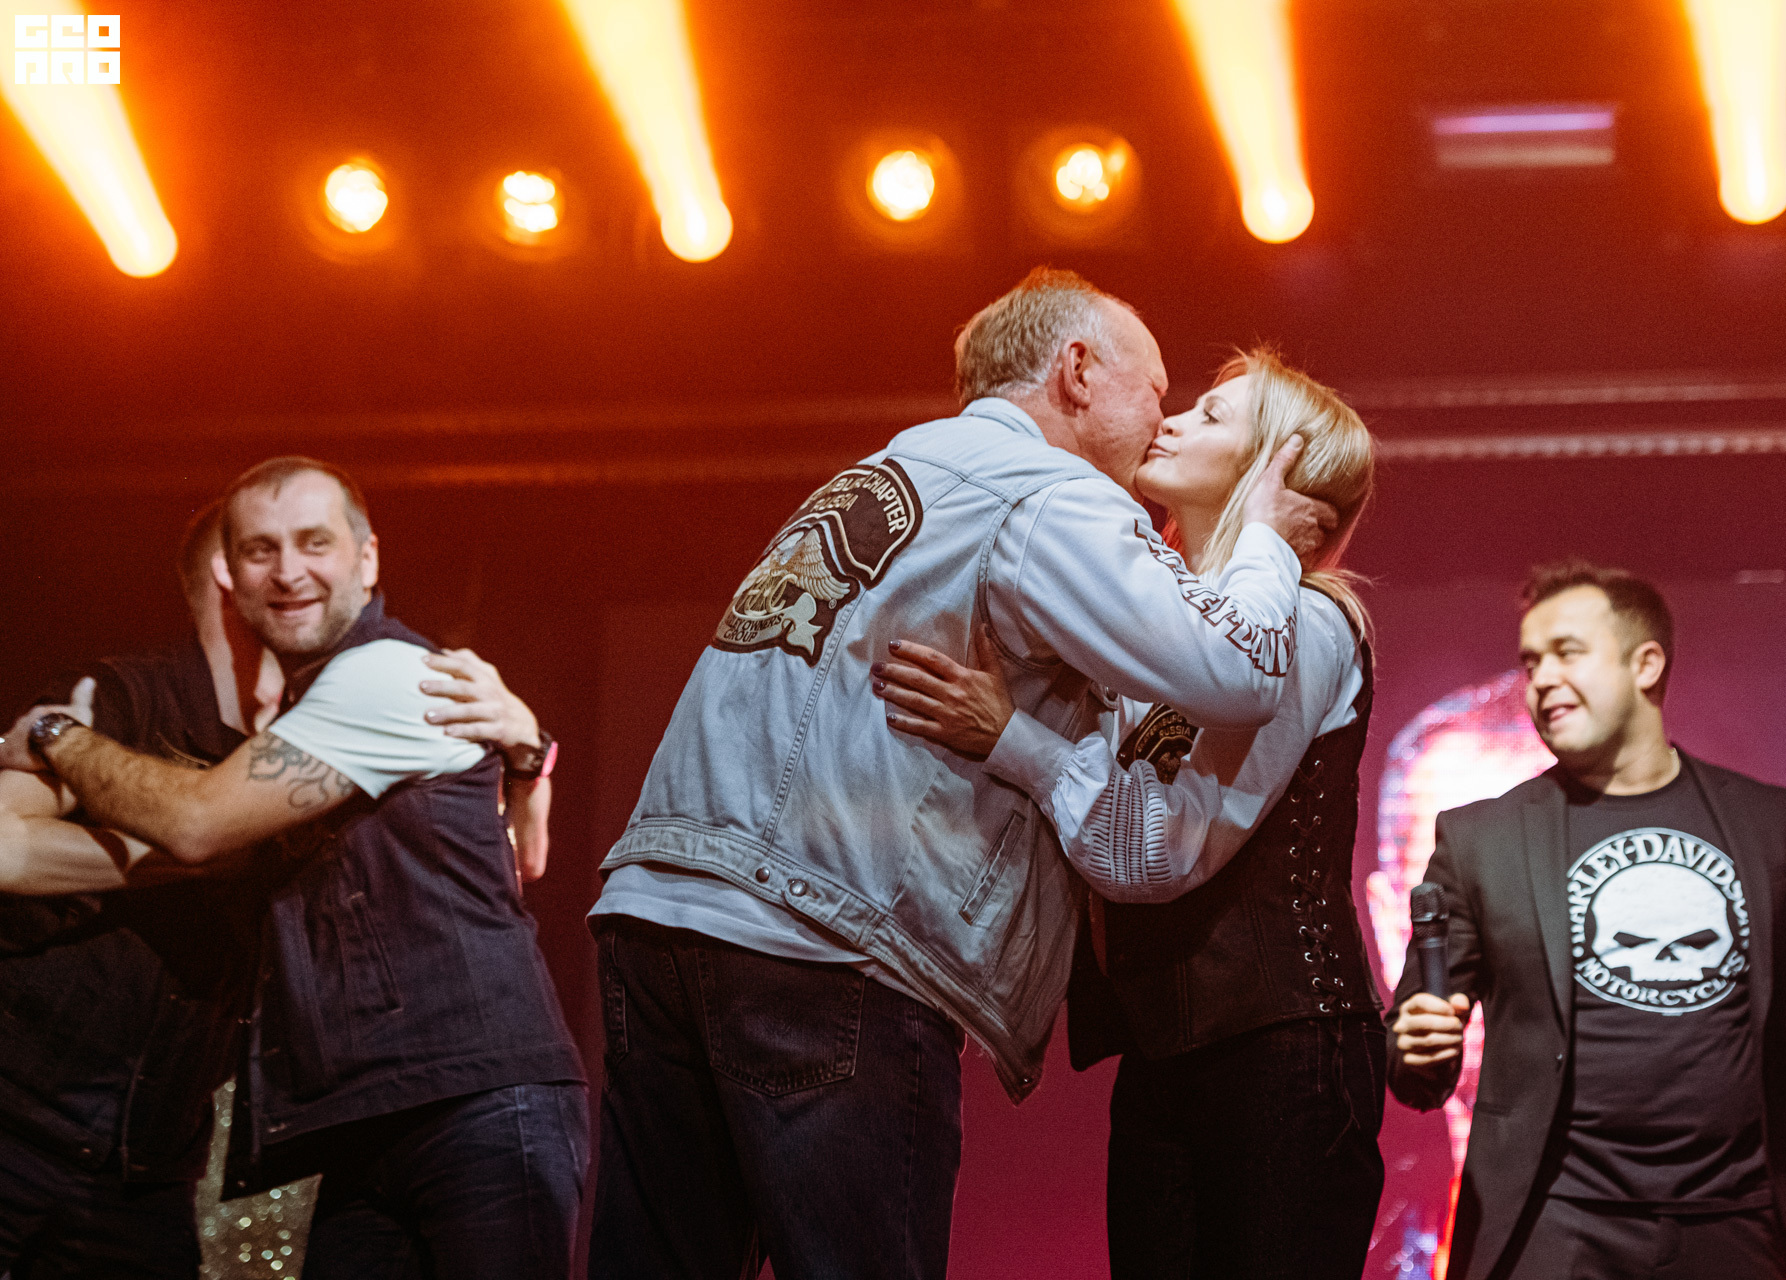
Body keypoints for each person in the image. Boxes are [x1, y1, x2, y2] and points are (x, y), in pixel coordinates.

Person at [587, 269, 1341, 1279]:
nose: (1163, 418)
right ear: (1078, 371)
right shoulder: (1049, 494)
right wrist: (1265, 537)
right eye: (1159, 389)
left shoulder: (889, 469)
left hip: (657, 913)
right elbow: (1237, 669)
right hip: (820, 941)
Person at [0, 459, 587, 1279]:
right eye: (261, 550)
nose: (288, 572)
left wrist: (56, 736)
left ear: (367, 558)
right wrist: (527, 756)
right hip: (50, 1120)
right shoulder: (136, 697)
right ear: (228, 574)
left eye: (315, 543)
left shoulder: (384, 676)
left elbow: (200, 823)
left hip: (445, 1105)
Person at [873, 348, 1384, 1278]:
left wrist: (1010, 739)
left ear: (1276, 465)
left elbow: (1156, 852)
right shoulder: (1167, 634)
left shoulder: (1307, 625)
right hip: (1167, 1056)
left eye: (1214, 417)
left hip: (1284, 1051)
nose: (1172, 421)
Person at [1387, 562, 1786, 1280]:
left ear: (1646, 665)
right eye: (1531, 662)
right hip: (1555, 1228)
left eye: (1568, 652)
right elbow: (1416, 1064)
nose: (1542, 678)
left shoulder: (1768, 824)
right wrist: (1415, 1044)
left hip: (1737, 1225)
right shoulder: (1483, 840)